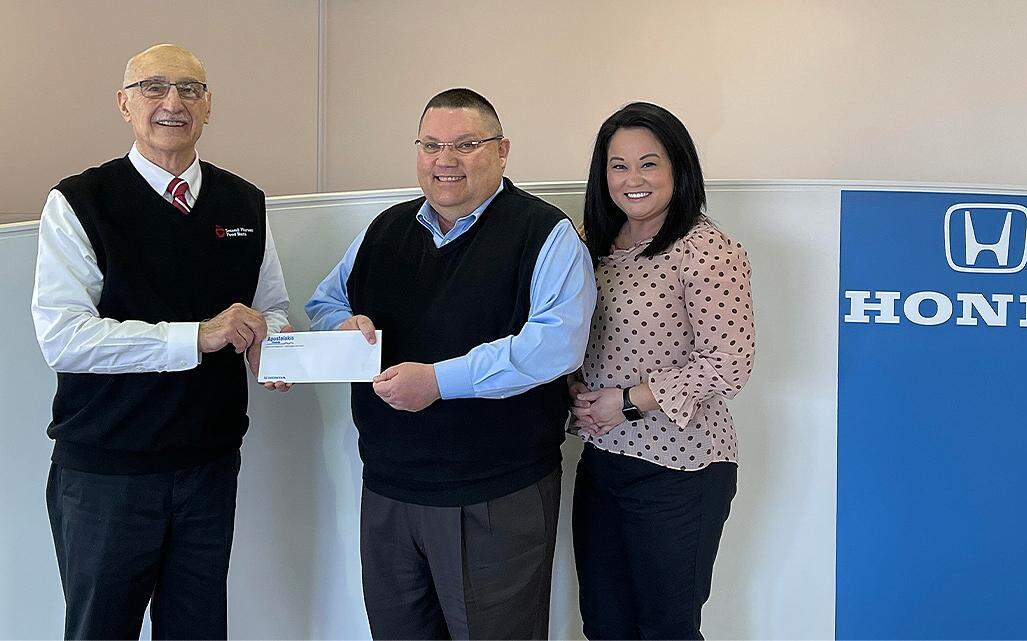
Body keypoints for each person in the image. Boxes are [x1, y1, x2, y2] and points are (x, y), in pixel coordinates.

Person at [305, 88, 595, 640]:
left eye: (466, 144)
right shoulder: (384, 230)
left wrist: (439, 382)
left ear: (503, 149)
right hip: (389, 489)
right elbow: (324, 302)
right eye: (432, 145)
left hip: (495, 494)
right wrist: (341, 327)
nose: (446, 160)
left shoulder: (544, 233)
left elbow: (555, 346)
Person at [30, 44, 291, 640]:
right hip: (106, 476)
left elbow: (269, 309)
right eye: (153, 87)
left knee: (198, 631)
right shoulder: (80, 202)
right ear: (124, 104)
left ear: (209, 106)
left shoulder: (244, 202)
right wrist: (198, 336)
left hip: (208, 468)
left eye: (190, 89)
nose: (173, 102)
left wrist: (268, 343)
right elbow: (66, 339)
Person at [569, 102, 755, 640]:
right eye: (618, 165)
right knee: (605, 625)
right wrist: (575, 385)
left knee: (666, 629)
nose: (632, 179)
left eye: (649, 164)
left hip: (681, 468)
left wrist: (626, 400)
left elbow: (730, 363)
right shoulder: (594, 246)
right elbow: (581, 336)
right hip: (604, 462)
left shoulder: (706, 248)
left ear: (678, 169)